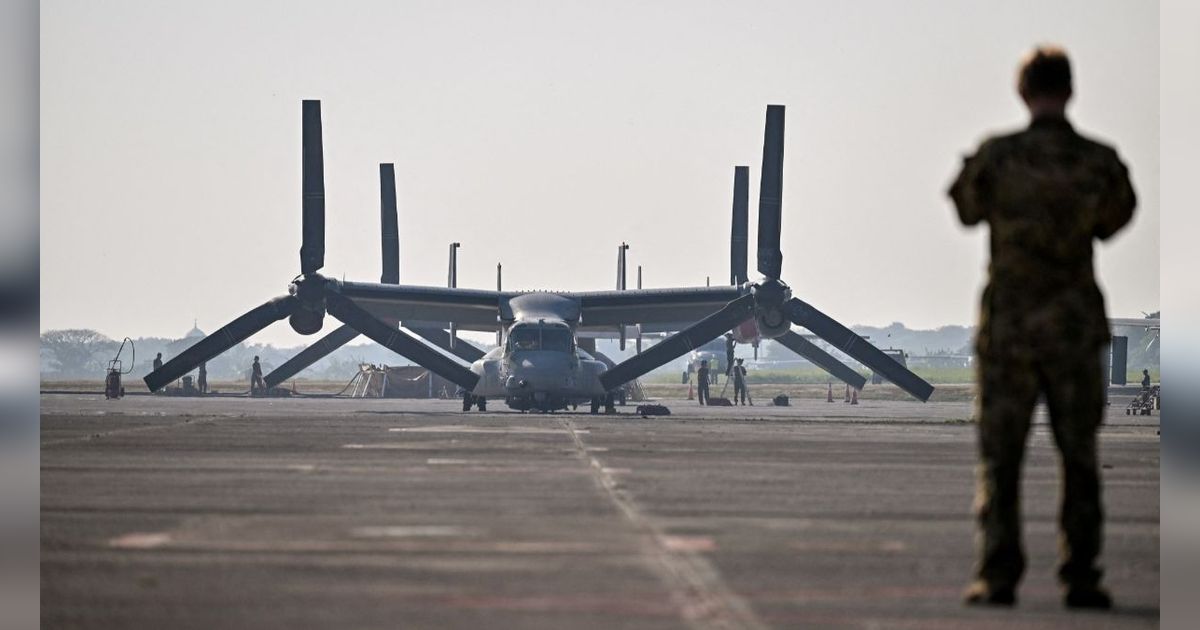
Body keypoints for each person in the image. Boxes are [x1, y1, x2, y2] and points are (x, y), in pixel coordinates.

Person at [949, 46, 1135, 609]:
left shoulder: (997, 157)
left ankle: (997, 574)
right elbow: (1115, 219)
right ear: (1070, 91)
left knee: (1001, 456)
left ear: (1022, 92)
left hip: (1009, 330)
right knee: (1078, 454)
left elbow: (964, 208)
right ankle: (1082, 575)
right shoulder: (1098, 161)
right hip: (1073, 328)